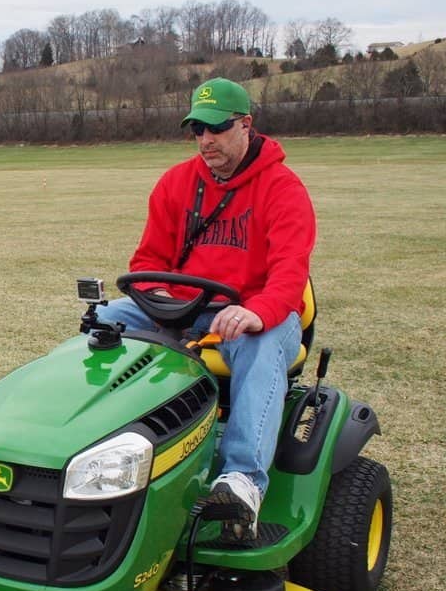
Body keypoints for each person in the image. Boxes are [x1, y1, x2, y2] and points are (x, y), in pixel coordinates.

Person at [96, 77, 316, 539]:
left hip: (253, 315)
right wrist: (159, 302)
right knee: (104, 322)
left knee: (262, 344)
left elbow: (290, 273)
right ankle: (94, 447)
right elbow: (148, 262)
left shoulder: (283, 188)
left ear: (246, 126)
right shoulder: (176, 184)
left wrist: (258, 311)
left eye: (216, 129)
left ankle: (242, 481)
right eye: (197, 129)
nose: (205, 140)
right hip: (183, 306)